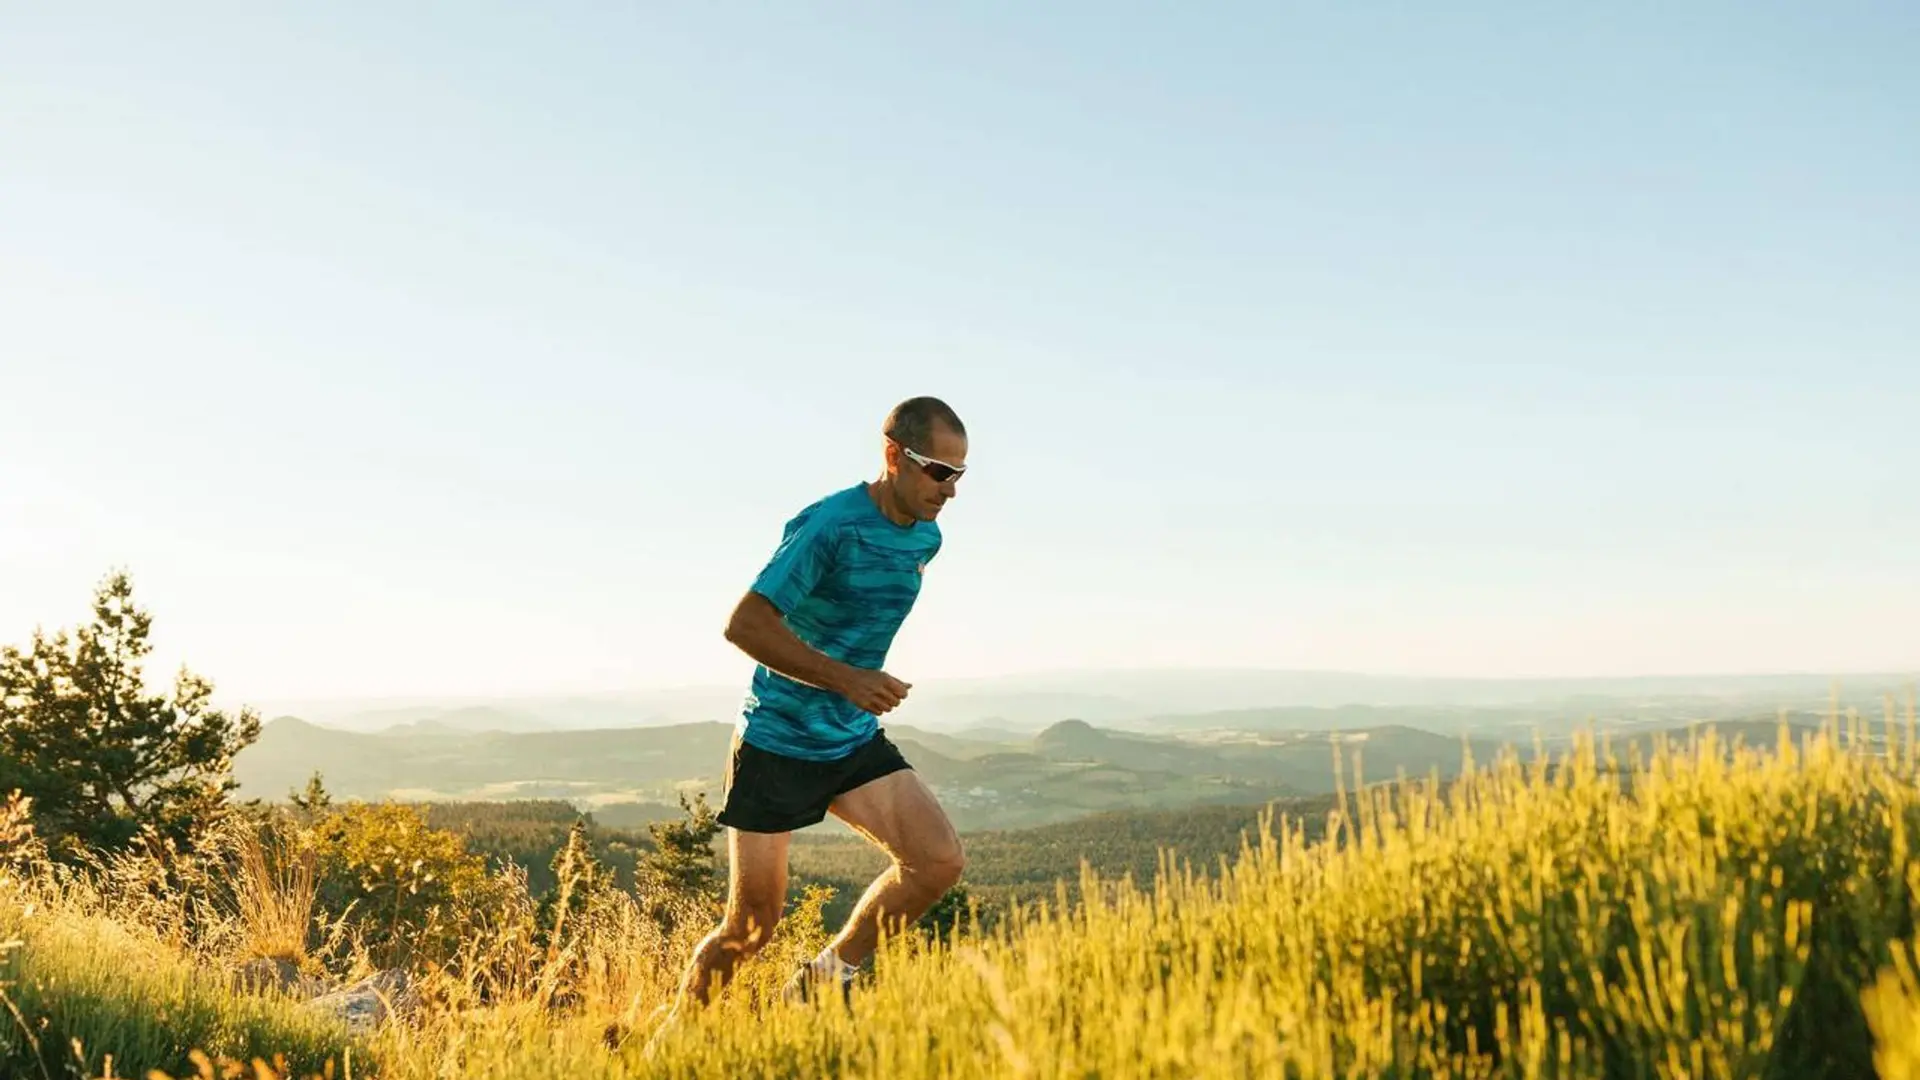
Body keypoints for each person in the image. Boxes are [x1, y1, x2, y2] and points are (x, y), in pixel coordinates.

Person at [653, 395, 970, 1035]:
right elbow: (744, 624)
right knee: (750, 927)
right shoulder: (828, 526)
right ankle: (674, 1041)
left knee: (937, 863)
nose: (951, 490)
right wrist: (846, 678)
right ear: (893, 457)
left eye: (960, 476)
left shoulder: (926, 538)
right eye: (939, 471)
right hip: (778, 740)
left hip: (849, 741)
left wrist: (853, 691)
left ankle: (820, 984)